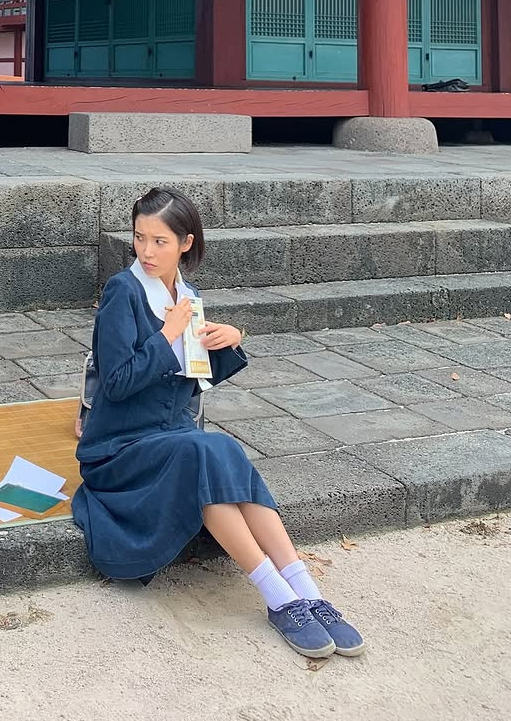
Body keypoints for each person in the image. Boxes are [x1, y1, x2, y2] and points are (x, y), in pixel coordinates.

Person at [73, 188, 365, 661]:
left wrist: (227, 341)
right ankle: (277, 598)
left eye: (159, 241)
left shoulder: (187, 296)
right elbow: (119, 382)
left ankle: (305, 590)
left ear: (185, 243)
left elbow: (189, 385)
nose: (146, 251)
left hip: (170, 437)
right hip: (118, 448)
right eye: (139, 238)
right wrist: (168, 335)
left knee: (219, 448)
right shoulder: (121, 292)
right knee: (203, 452)